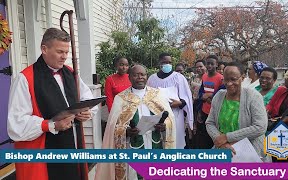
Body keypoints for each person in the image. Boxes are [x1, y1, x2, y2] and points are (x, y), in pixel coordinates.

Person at [7, 28, 97, 180]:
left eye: (67, 52)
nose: (64, 57)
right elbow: (16, 125)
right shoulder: (25, 78)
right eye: (60, 52)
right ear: (44, 49)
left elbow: (86, 97)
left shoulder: (70, 72)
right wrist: (51, 125)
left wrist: (85, 111)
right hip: (43, 156)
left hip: (71, 148)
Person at [95, 64, 176, 180]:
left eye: (142, 74)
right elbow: (113, 126)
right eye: (136, 75)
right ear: (129, 78)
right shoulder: (121, 98)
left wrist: (164, 125)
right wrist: (126, 131)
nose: (140, 77)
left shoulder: (157, 95)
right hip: (133, 145)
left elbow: (170, 119)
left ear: (146, 76)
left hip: (155, 143)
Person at [206, 62, 271, 162]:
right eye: (226, 79)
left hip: (250, 154)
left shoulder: (253, 96)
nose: (228, 83)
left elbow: (260, 126)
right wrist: (222, 143)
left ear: (243, 77)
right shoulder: (219, 96)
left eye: (233, 79)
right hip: (223, 150)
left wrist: (227, 137)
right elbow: (210, 123)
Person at [147, 52, 193, 149]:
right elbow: (147, 96)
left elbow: (187, 97)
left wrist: (180, 103)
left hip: (175, 115)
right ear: (159, 63)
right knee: (159, 142)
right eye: (165, 62)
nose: (168, 64)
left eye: (170, 62)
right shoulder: (152, 79)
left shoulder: (179, 77)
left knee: (175, 143)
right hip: (158, 115)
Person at [194, 55, 223, 149]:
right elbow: (202, 91)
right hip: (204, 111)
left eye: (212, 64)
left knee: (214, 136)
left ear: (216, 65)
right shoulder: (205, 76)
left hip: (215, 112)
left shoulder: (220, 78)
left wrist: (210, 96)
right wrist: (203, 99)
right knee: (204, 136)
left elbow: (221, 93)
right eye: (208, 63)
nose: (209, 66)